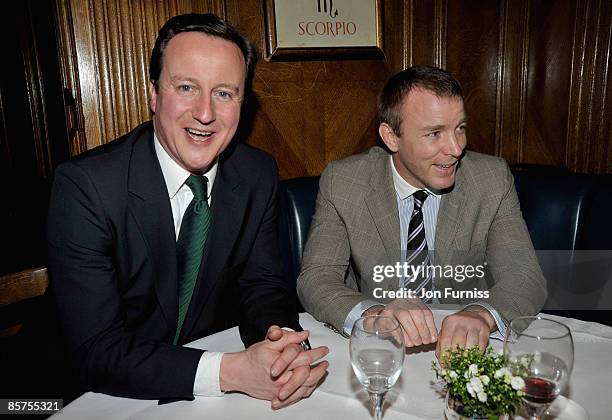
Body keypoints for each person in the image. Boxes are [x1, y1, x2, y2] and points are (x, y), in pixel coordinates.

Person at [47, 13, 328, 408]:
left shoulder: (256, 173)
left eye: (224, 93)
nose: (206, 113)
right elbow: (97, 349)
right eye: (186, 87)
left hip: (197, 386)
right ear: (153, 94)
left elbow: (261, 285)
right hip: (79, 395)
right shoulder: (86, 187)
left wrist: (279, 344)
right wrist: (230, 372)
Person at [297, 65, 546, 359]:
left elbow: (525, 276)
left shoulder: (491, 179)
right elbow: (317, 277)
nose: (455, 148)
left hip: (464, 349)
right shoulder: (345, 182)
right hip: (380, 349)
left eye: (460, 128)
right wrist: (376, 314)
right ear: (391, 137)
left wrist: (481, 314)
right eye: (434, 133)